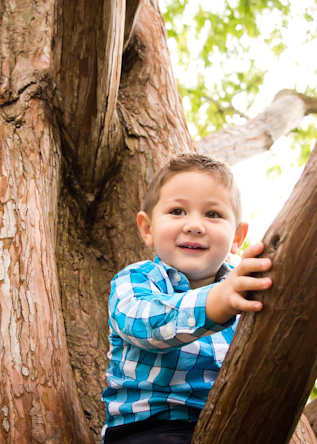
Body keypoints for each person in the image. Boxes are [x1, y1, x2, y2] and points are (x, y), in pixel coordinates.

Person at [101, 153, 273, 444]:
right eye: (178, 211)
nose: (195, 225)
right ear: (147, 228)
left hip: (234, 423)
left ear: (237, 237)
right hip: (150, 428)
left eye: (213, 214)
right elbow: (143, 324)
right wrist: (217, 302)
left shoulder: (246, 288)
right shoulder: (137, 279)